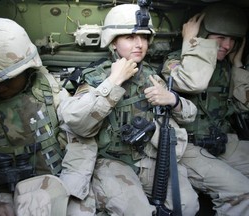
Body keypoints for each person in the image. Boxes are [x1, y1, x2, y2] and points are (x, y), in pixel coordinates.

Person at [58, 4, 200, 216]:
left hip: (150, 158)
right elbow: (77, 122)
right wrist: (114, 81)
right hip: (110, 163)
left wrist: (172, 100)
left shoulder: (152, 76)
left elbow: (190, 115)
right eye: (130, 37)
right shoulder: (94, 78)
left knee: (188, 206)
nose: (140, 44)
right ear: (113, 42)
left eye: (144, 37)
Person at [0, 17, 97, 216]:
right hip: (0, 192)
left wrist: (70, 189)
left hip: (58, 182)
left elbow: (81, 142)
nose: (0, 87)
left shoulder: (50, 93)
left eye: (9, 78)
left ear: (28, 68)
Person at [161, 3, 249, 215]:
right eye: (220, 38)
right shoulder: (174, 61)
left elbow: (241, 105)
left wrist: (236, 66)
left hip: (220, 140)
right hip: (189, 147)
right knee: (241, 192)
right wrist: (191, 42)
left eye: (233, 40)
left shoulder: (224, 67)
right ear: (202, 34)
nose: (228, 45)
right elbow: (193, 83)